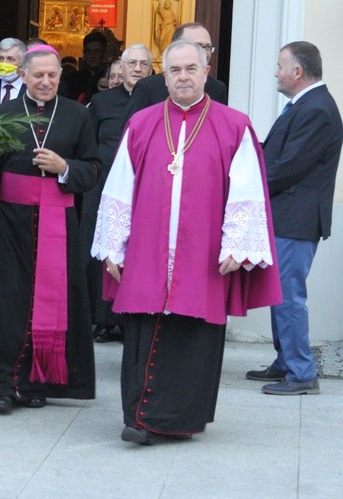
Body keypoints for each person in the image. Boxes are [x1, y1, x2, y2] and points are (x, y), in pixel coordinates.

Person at [91, 41, 281, 445]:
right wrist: (113, 244)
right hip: (147, 249)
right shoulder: (141, 123)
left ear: (206, 70)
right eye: (174, 70)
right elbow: (119, 186)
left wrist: (236, 244)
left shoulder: (233, 124)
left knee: (193, 338)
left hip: (203, 253)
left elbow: (246, 190)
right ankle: (139, 417)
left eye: (190, 68)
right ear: (164, 76)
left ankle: (178, 419)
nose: (183, 77)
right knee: (143, 329)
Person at [0, 44, 100, 414]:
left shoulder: (78, 115)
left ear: (60, 76)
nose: (46, 82)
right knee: (6, 304)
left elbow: (93, 169)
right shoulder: (5, 113)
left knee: (52, 305)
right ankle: (2, 385)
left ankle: (36, 383)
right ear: (24, 75)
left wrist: (64, 167)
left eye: (52, 76)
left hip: (58, 225)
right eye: (38, 75)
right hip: (9, 224)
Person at [246, 41, 343, 395]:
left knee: (288, 295)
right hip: (286, 216)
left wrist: (243, 189)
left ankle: (302, 373)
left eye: (279, 65)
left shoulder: (316, 109)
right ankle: (286, 360)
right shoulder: (305, 106)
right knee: (278, 292)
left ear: (297, 72)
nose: (275, 72)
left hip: (297, 219)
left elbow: (288, 167)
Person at [83, 45, 153, 344]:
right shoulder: (101, 101)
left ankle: (128, 320)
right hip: (102, 185)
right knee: (101, 251)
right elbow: (88, 143)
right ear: (120, 69)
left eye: (143, 64)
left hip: (143, 187)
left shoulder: (156, 100)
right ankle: (102, 320)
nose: (137, 69)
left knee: (135, 252)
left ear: (152, 70)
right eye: (131, 63)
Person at [125, 22, 227, 122]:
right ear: (175, 47)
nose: (204, 52)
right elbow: (132, 130)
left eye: (208, 47)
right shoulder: (147, 87)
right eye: (198, 46)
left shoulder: (218, 89)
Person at [60, 32, 109, 105]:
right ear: (84, 53)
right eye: (89, 51)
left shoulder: (112, 78)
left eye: (97, 51)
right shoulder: (71, 79)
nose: (93, 55)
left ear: (104, 53)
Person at [0, 38, 27, 105]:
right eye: (0, 58)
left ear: (23, 62)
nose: (4, 63)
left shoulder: (32, 90)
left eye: (10, 59)